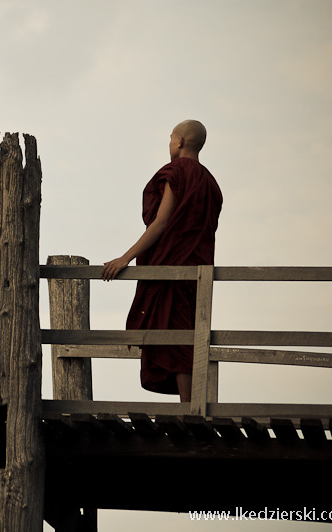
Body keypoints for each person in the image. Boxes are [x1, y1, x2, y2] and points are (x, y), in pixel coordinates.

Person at [101, 120, 222, 402]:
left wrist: (125, 258)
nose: (170, 144)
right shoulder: (211, 184)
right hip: (199, 269)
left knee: (178, 335)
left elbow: (161, 223)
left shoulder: (178, 171)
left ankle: (189, 409)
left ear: (180, 141)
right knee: (188, 332)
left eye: (170, 139)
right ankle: (191, 405)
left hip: (174, 268)